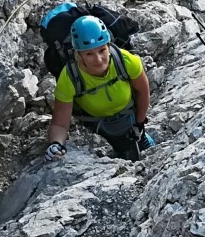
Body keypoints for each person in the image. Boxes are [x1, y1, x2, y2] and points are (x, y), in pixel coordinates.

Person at [45, 16, 155, 162]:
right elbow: (60, 123)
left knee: (147, 150)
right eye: (89, 54)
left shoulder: (127, 61)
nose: (98, 59)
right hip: (98, 129)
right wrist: (56, 144)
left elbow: (143, 92)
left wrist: (139, 124)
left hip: (130, 120)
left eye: (102, 50)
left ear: (109, 46)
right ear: (79, 54)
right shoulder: (69, 78)